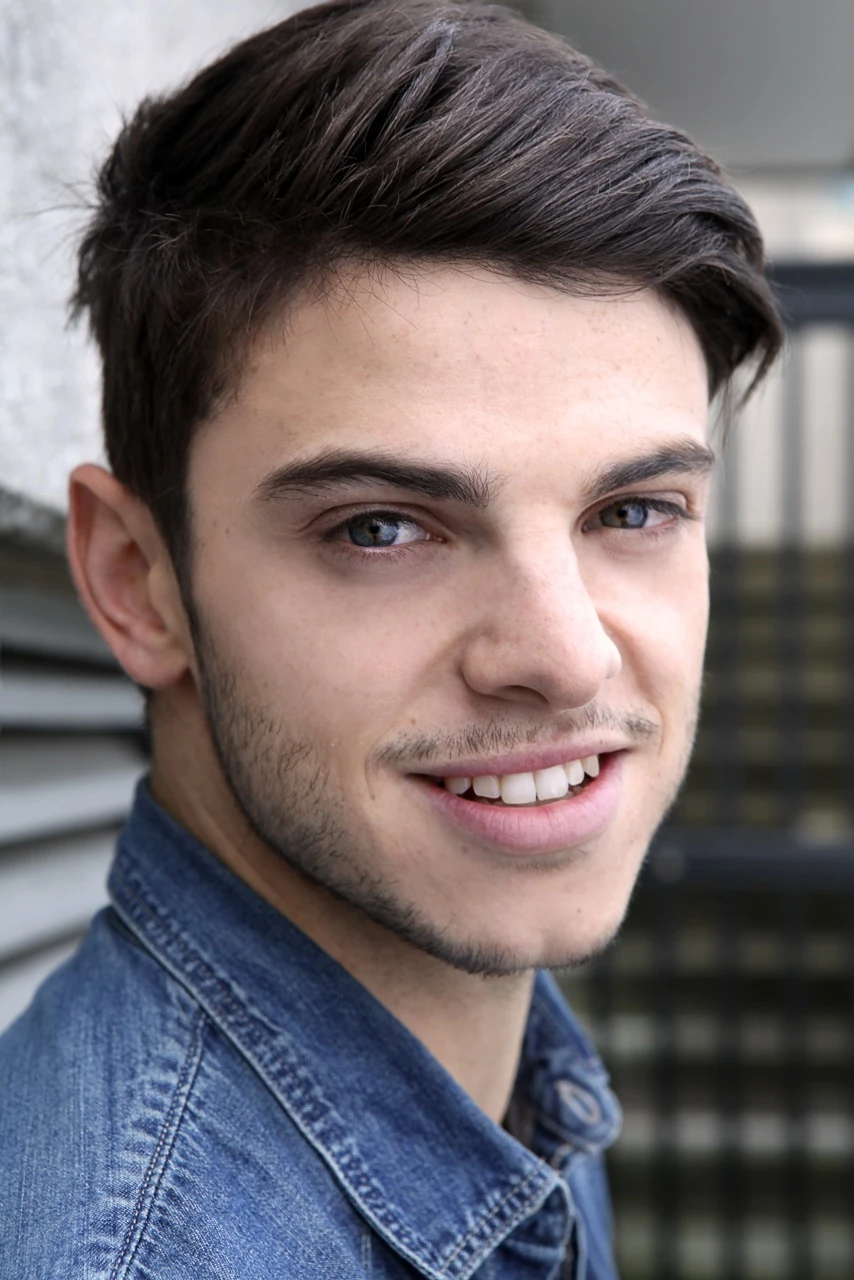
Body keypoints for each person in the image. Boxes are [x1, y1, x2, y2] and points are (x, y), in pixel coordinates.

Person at [0, 1, 783, 1275]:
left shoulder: (498, 1060)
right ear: (138, 582)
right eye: (380, 528)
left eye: (632, 510)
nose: (564, 654)